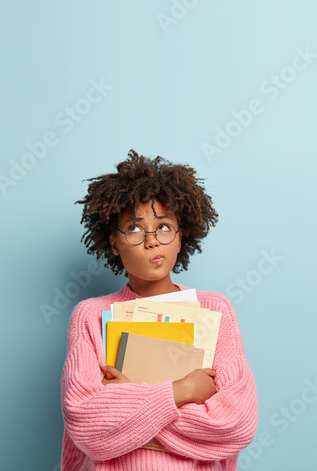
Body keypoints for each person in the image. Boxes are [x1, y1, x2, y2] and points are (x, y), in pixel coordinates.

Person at [60, 150, 257, 470]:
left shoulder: (214, 309)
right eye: (135, 230)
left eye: (164, 227)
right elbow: (87, 426)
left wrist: (130, 402)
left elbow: (234, 424)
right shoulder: (91, 316)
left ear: (181, 237)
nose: (152, 241)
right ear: (113, 243)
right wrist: (183, 390)